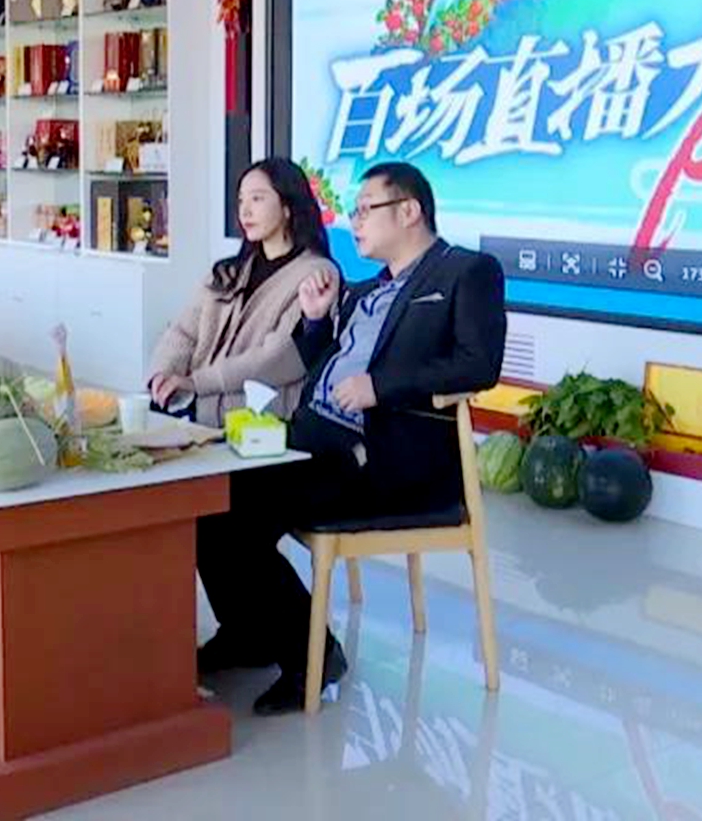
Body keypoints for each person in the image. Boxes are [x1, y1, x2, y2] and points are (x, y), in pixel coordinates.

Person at [195, 161, 507, 715]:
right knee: (205, 499)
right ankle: (248, 632)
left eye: (365, 210)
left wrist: (380, 387)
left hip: (386, 458)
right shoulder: (365, 291)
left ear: (408, 211)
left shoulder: (467, 272)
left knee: (237, 513)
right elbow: (323, 362)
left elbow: (478, 364)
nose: (354, 222)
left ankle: (313, 658)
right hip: (315, 437)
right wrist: (318, 321)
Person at [148, 158, 337, 427]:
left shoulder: (316, 273)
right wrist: (162, 373)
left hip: (259, 427)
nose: (245, 211)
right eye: (240, 201)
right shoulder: (228, 272)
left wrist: (197, 382)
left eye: (257, 199)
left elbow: (276, 358)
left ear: (287, 206)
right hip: (199, 418)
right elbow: (184, 331)